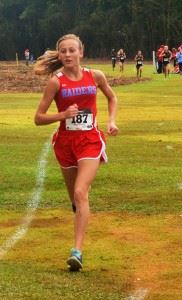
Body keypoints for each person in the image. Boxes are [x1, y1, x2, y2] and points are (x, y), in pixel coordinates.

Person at [34, 34, 118, 272]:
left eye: (72, 50)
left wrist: (111, 121)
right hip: (65, 143)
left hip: (90, 141)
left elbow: (112, 97)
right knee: (75, 198)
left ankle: (77, 252)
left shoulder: (96, 76)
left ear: (81, 52)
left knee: (81, 192)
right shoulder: (56, 82)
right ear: (59, 55)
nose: (68, 55)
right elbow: (38, 119)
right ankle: (79, 206)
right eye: (63, 51)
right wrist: (62, 115)